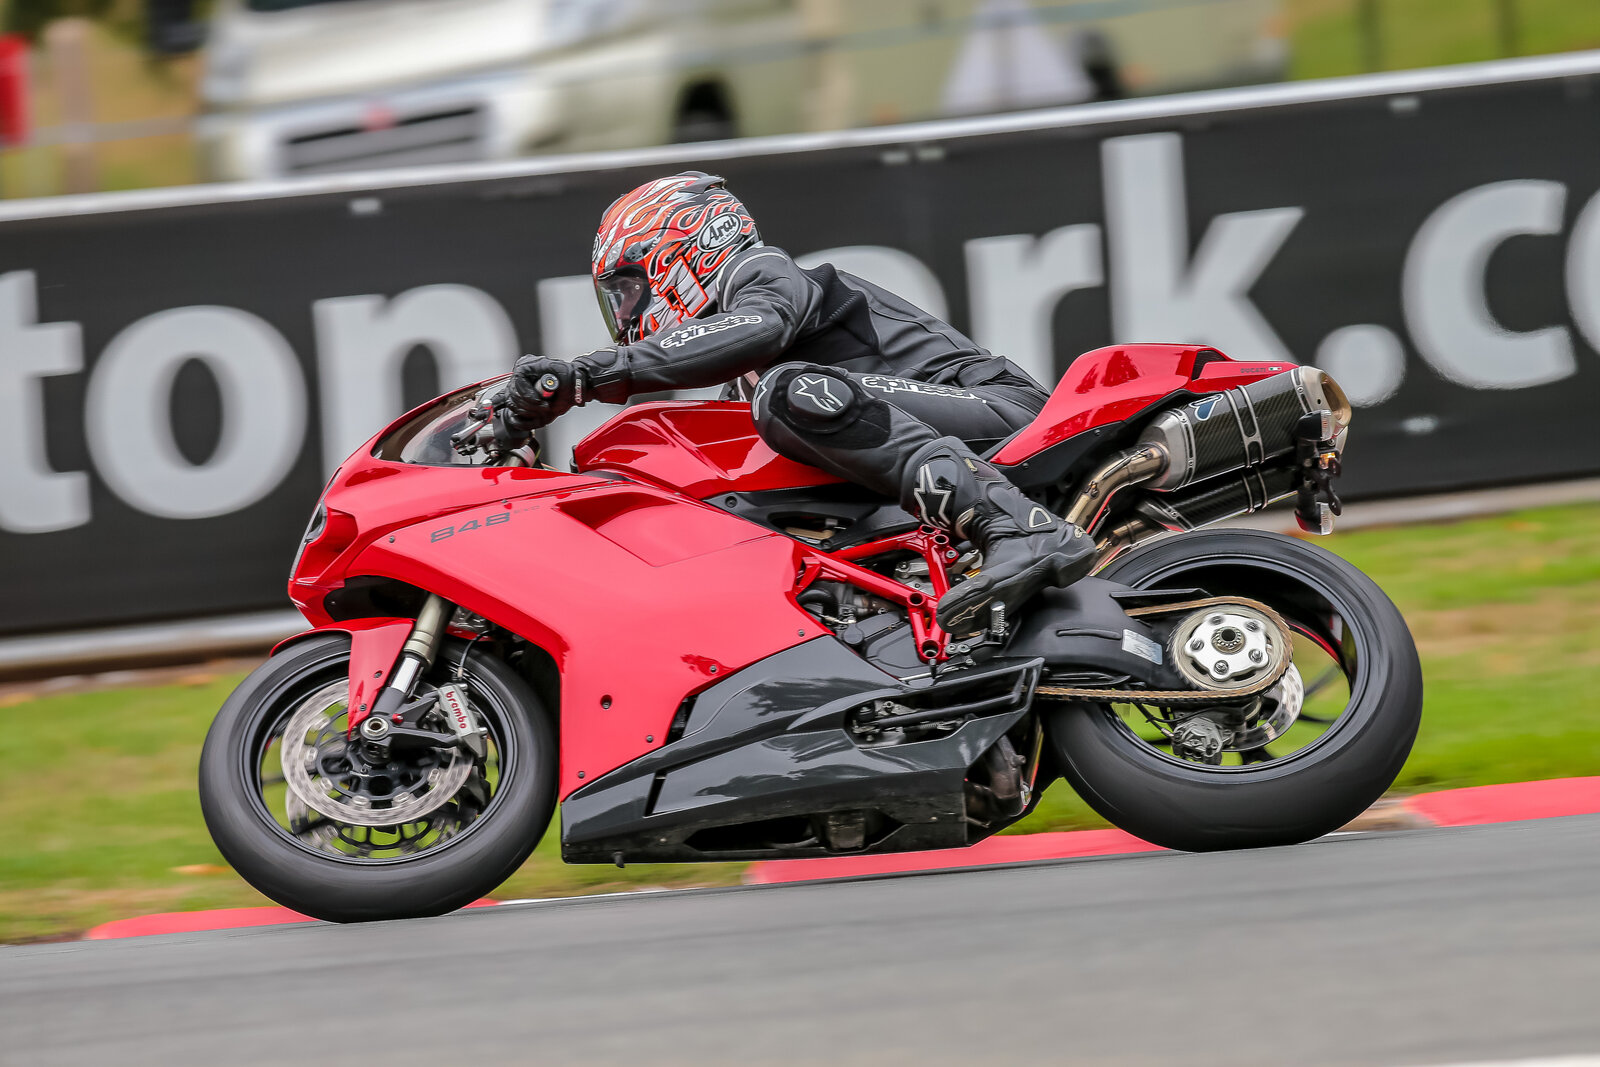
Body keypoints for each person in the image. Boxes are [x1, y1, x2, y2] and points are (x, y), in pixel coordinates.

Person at [498, 171, 1094, 636]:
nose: (628, 313)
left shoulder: (762, 275)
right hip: (934, 436)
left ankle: (1016, 527)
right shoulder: (744, 381)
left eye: (630, 289)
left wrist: (586, 375)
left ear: (682, 249)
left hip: (1003, 413)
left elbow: (760, 328)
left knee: (789, 393)